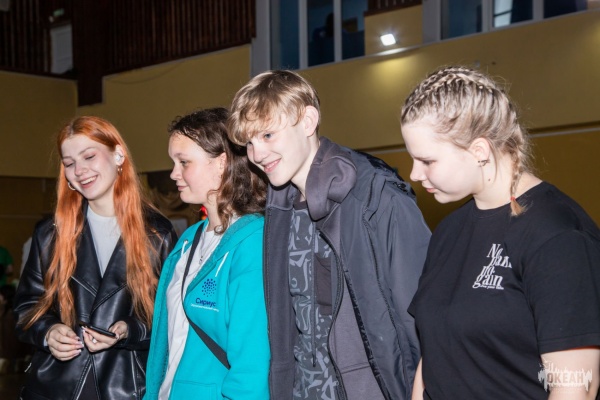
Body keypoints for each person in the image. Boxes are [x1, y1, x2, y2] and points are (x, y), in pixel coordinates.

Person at [228, 70, 431, 400]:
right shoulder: (278, 208)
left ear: (308, 121)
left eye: (267, 135)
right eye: (249, 143)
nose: (257, 154)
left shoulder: (376, 196)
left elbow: (422, 316)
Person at [400, 66, 600, 399]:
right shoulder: (448, 230)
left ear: (479, 151)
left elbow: (575, 386)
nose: (414, 174)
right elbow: (433, 354)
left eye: (427, 161)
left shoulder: (557, 236)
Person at [14, 116, 177, 400]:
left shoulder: (157, 234)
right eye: (69, 163)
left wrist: (129, 329)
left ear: (118, 155)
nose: (79, 170)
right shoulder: (50, 233)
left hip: (125, 387)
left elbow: (170, 319)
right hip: (56, 387)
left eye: (89, 156)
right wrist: (48, 332)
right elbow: (26, 308)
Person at [144, 108, 270, 399]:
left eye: (184, 162)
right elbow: (170, 340)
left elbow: (252, 365)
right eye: (173, 162)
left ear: (222, 163)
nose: (174, 173)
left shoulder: (252, 241)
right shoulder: (189, 239)